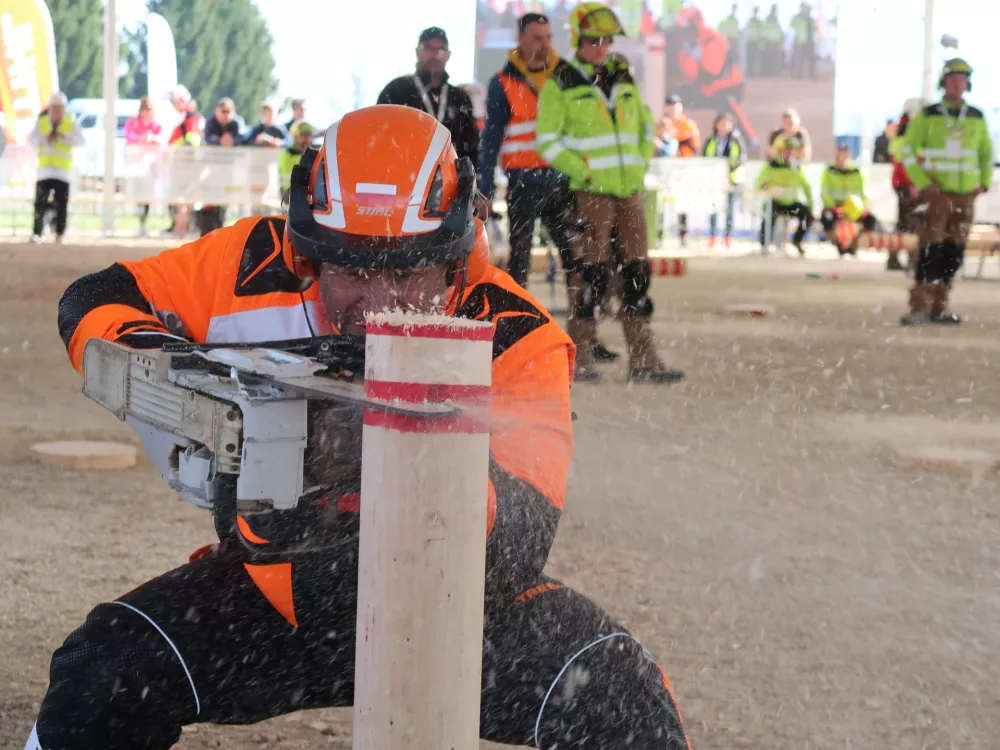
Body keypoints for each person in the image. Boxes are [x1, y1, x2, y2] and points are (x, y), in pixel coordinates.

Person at [33, 104, 690, 750]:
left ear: (457, 255)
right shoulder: (253, 262)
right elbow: (94, 298)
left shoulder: (517, 335)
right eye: (350, 270)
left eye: (405, 272)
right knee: (102, 670)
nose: (378, 304)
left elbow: (522, 541)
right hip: (279, 596)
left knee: (625, 699)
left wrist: (411, 461)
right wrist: (172, 366)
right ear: (307, 252)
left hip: (456, 611)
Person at [537, 2, 685, 384]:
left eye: (606, 39)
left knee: (637, 275)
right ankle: (578, 360)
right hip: (590, 193)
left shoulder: (623, 76)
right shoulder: (561, 82)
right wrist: (583, 172)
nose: (601, 46)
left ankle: (644, 361)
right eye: (593, 40)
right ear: (578, 40)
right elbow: (547, 141)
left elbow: (646, 127)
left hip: (629, 191)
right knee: (590, 277)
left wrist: (638, 165)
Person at [477, 11, 621, 363]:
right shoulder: (502, 82)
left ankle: (585, 339)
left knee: (579, 261)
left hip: (563, 185)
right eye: (537, 38)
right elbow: (491, 140)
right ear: (521, 39)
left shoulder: (567, 75)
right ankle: (512, 338)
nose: (544, 45)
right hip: (523, 186)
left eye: (548, 37)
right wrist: (484, 190)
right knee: (519, 265)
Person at [900, 58, 992, 326]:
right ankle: (920, 306)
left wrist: (984, 182)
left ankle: (940, 306)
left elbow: (986, 153)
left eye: (963, 79)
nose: (958, 84)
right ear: (944, 82)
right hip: (937, 194)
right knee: (931, 249)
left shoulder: (976, 116)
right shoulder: (928, 116)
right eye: (953, 79)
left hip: (966, 195)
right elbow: (907, 150)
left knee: (954, 252)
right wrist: (922, 182)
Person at [377, 27, 481, 168]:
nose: (435, 54)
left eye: (441, 49)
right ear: (417, 51)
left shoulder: (459, 98)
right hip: (404, 174)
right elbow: (380, 138)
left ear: (448, 55)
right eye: (428, 48)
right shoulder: (396, 91)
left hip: (449, 176)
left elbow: (471, 148)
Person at [27, 91, 84, 244]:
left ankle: (59, 233)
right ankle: (37, 232)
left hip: (63, 172)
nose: (56, 111)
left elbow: (81, 141)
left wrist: (64, 136)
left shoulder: (70, 123)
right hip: (44, 171)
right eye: (54, 108)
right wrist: (45, 139)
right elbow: (32, 141)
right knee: (40, 203)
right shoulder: (42, 122)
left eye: (59, 108)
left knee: (61, 203)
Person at [755, 132, 814, 255]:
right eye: (786, 150)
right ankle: (764, 244)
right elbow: (759, 185)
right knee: (768, 214)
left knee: (806, 214)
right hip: (775, 203)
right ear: (779, 151)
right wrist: (771, 187)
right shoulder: (770, 166)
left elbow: (807, 187)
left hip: (791, 204)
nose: (789, 153)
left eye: (791, 150)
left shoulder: (797, 168)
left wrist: (811, 206)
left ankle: (797, 241)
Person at [819, 142, 881, 255]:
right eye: (839, 155)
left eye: (844, 154)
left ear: (849, 155)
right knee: (826, 219)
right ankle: (839, 245)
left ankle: (854, 245)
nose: (841, 158)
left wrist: (858, 208)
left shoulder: (858, 172)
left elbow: (864, 195)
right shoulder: (828, 171)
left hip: (854, 209)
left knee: (871, 221)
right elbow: (824, 193)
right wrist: (835, 207)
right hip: (835, 208)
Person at [658, 94, 700, 245]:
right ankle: (659, 235)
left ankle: (683, 235)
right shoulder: (661, 124)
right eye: (669, 104)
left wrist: (674, 140)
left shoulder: (688, 124)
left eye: (675, 104)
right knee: (661, 202)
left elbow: (693, 146)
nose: (672, 107)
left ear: (680, 106)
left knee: (682, 203)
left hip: (682, 170)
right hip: (664, 170)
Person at [887, 105, 923, 271]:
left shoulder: (899, 135)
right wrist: (914, 184)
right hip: (908, 185)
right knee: (911, 222)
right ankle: (910, 260)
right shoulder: (909, 136)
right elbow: (904, 164)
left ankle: (895, 258)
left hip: (904, 184)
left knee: (904, 222)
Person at [703, 112, 746, 248]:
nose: (725, 126)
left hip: (732, 181)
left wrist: (728, 173)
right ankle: (712, 236)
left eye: (728, 123)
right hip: (715, 181)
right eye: (722, 123)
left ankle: (728, 238)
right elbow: (706, 158)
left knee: (730, 210)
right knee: (714, 209)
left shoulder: (736, 140)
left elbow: (740, 159)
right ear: (716, 125)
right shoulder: (711, 140)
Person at [124, 96, 163, 237]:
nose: (147, 112)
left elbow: (160, 141)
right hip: (136, 166)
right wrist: (141, 139)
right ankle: (139, 222)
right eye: (145, 108)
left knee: (147, 195)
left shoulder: (155, 126)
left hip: (150, 166)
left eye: (149, 109)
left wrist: (150, 140)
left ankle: (143, 223)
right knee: (138, 194)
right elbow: (128, 136)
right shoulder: (133, 123)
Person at [277, 120, 314, 196]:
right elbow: (287, 182)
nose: (307, 138)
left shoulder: (313, 154)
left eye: (309, 134)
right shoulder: (288, 155)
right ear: (295, 137)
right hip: (290, 195)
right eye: (303, 134)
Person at [788, 2, 816, 80]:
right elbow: (792, 27)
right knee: (798, 58)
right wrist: (797, 40)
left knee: (811, 59)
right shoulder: (798, 18)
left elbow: (814, 30)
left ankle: (811, 75)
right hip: (800, 41)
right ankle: (796, 75)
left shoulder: (810, 19)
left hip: (809, 42)